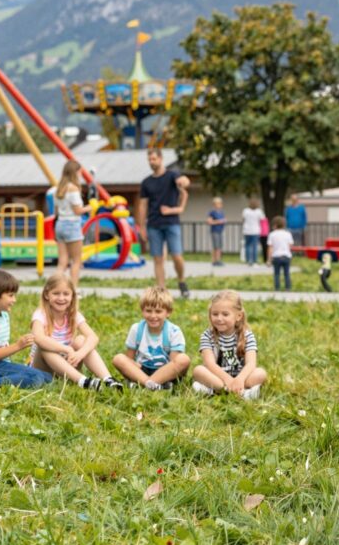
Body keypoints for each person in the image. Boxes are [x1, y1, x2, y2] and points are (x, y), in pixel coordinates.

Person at [29, 273, 122, 391]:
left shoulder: (73, 315)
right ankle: (84, 382)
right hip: (43, 369)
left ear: (72, 296)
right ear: (47, 295)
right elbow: (38, 338)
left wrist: (80, 353)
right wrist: (66, 349)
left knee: (81, 340)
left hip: (68, 366)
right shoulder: (40, 314)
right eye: (56, 293)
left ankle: (108, 379)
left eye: (66, 294)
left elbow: (93, 337)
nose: (61, 298)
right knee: (45, 346)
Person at [192, 290, 268, 400]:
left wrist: (240, 379)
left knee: (260, 373)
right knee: (198, 370)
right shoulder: (207, 336)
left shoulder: (247, 335)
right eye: (215, 314)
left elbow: (251, 364)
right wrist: (228, 380)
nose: (219, 318)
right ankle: (241, 393)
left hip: (242, 378)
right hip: (218, 378)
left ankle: (213, 391)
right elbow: (210, 364)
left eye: (225, 314)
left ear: (238, 316)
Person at [111, 287, 190, 390]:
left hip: (165, 371)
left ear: (168, 312)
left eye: (158, 311)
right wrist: (133, 366)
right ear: (142, 310)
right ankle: (152, 384)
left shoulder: (174, 331)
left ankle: (145, 384)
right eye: (148, 311)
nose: (153, 316)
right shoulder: (136, 329)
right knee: (118, 359)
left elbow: (173, 362)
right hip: (141, 369)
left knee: (184, 359)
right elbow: (129, 357)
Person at [137, 149, 190, 298]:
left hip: (171, 223)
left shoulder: (172, 176)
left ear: (161, 159)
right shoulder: (146, 182)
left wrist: (183, 181)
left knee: (177, 256)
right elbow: (142, 205)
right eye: (149, 160)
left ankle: (181, 281)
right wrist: (141, 226)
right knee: (158, 259)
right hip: (153, 224)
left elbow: (184, 183)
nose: (151, 162)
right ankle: (162, 292)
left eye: (154, 159)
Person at [53, 160, 89, 287]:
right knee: (76, 261)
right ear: (75, 172)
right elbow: (78, 210)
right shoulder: (73, 189)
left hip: (60, 224)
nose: (81, 174)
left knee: (62, 262)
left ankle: (54, 287)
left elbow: (56, 211)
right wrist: (91, 207)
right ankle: (73, 290)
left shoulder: (58, 189)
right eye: (80, 172)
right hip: (72, 225)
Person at [267, 216, 294, 291]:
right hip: (286, 256)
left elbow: (270, 248)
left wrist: (269, 259)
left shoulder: (272, 234)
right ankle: (287, 288)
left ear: (275, 225)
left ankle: (277, 288)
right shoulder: (288, 234)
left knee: (276, 274)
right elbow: (290, 246)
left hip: (276, 256)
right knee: (287, 274)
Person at [241, 198, 265, 267]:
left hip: (247, 230)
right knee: (254, 246)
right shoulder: (259, 211)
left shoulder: (245, 211)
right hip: (255, 230)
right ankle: (254, 260)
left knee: (247, 245)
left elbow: (243, 219)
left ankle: (248, 260)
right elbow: (262, 219)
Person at [206, 197, 226, 267]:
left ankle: (218, 260)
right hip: (214, 231)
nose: (219, 205)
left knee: (219, 246)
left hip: (220, 231)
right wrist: (218, 221)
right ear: (214, 204)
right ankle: (215, 260)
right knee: (216, 247)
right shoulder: (212, 212)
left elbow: (223, 220)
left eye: (220, 203)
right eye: (217, 203)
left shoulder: (221, 212)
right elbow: (209, 222)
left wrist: (223, 221)